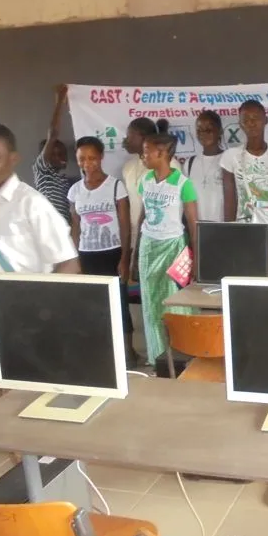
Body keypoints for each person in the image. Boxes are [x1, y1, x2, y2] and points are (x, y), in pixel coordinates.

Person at [0, 123, 80, 401]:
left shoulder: (32, 204)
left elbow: (69, 265)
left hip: (30, 323)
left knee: (31, 399)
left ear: (13, 158)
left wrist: (36, 313)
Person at [132, 121, 198, 367]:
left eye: (147, 151)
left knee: (176, 304)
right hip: (149, 248)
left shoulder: (183, 184)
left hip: (173, 249)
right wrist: (136, 250)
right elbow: (142, 216)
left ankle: (182, 356)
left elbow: (193, 223)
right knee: (151, 305)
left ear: (161, 153)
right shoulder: (145, 181)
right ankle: (158, 359)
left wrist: (196, 258)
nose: (143, 156)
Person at [68, 136, 138, 365]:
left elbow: (125, 225)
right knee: (92, 306)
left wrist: (125, 258)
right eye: (82, 159)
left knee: (119, 304)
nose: (87, 163)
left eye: (92, 158)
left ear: (101, 158)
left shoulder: (116, 186)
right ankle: (102, 352)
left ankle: (128, 353)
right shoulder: (75, 191)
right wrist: (74, 259)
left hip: (113, 253)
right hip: (87, 255)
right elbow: (76, 226)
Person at [221, 100, 268, 277]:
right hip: (244, 233)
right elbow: (230, 202)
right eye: (246, 119)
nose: (251, 123)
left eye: (256, 118)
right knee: (247, 283)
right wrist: (228, 236)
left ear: (265, 120)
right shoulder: (231, 157)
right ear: (240, 124)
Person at [121, 117, 181, 258]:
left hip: (162, 242)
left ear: (143, 138)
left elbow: (172, 209)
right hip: (135, 241)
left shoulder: (170, 166)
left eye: (130, 136)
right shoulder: (128, 167)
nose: (125, 140)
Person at [33, 85, 73, 223]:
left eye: (61, 153)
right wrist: (60, 101)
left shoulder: (65, 182)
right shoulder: (42, 172)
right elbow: (53, 134)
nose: (59, 157)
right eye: (53, 154)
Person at [186, 110, 226, 222]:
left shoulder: (228, 160)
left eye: (208, 130)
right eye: (199, 130)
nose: (203, 134)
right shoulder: (189, 163)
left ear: (220, 131)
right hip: (197, 228)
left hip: (223, 227)